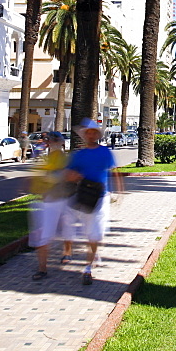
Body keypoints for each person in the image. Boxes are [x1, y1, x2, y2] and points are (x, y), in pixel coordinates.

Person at [66, 119, 125, 285]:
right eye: (88, 133)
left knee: (95, 233)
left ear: (97, 135)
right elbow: (68, 174)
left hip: (101, 197)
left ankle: (87, 268)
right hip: (84, 197)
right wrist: (73, 177)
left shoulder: (105, 152)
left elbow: (115, 171)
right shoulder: (79, 155)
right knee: (90, 233)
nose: (91, 135)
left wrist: (120, 192)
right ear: (85, 135)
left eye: (93, 132)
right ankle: (93, 253)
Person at [26, 131, 77, 281]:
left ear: (62, 143)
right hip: (47, 201)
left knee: (67, 228)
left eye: (55, 140)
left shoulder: (66, 159)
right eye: (49, 140)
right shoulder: (44, 159)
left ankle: (67, 253)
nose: (52, 142)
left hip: (65, 199)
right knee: (43, 235)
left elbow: (70, 177)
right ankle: (42, 268)